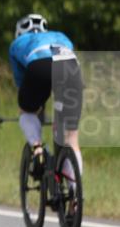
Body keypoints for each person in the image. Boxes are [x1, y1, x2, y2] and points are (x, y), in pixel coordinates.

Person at [9, 13, 84, 186]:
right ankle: (75, 196)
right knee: (71, 139)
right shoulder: (61, 36)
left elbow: (22, 82)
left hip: (39, 67)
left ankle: (37, 148)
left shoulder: (17, 44)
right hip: (71, 69)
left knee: (26, 111)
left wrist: (33, 109)